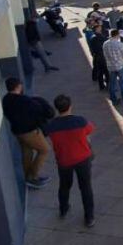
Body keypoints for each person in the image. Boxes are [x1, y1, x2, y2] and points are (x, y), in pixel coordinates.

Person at [44, 94, 95, 227]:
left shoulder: (51, 125)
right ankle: (89, 217)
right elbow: (90, 130)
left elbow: (46, 133)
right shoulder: (80, 121)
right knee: (85, 187)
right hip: (83, 158)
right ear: (70, 106)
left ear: (57, 108)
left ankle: (63, 209)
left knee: (64, 186)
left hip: (64, 160)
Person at [1, 77, 53, 188]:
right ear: (18, 86)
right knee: (44, 150)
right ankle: (32, 176)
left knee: (27, 152)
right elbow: (39, 112)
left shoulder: (5, 99)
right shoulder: (24, 100)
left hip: (17, 131)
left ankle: (27, 176)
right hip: (29, 131)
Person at [88, 23, 108, 91]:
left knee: (99, 71)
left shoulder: (95, 36)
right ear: (96, 29)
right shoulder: (96, 38)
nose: (101, 28)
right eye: (99, 28)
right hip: (101, 57)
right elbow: (99, 47)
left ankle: (101, 85)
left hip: (98, 56)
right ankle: (106, 86)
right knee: (105, 72)